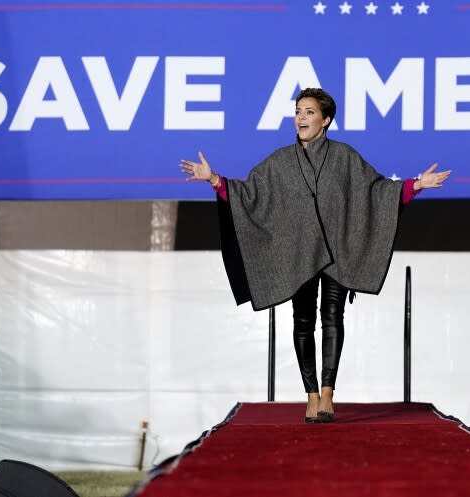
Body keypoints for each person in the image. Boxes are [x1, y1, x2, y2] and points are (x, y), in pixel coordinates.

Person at [180, 88, 450, 423]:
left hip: (338, 249)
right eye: (298, 111)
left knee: (333, 316)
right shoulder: (280, 162)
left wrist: (417, 185)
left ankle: (327, 394)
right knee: (303, 321)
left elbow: (377, 193)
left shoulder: (344, 157)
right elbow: (249, 194)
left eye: (309, 112)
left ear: (326, 120)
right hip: (299, 252)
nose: (301, 118)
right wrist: (215, 180)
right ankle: (309, 394)